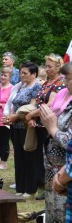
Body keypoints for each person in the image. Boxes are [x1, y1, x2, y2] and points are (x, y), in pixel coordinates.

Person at [25, 54, 66, 200]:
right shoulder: (46, 83)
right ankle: (43, 183)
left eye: (49, 66)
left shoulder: (60, 83)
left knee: (52, 157)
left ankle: (53, 184)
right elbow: (37, 101)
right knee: (40, 156)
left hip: (49, 124)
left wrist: (31, 115)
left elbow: (51, 105)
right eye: (46, 65)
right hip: (38, 122)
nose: (46, 69)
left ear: (58, 67)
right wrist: (32, 118)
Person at [39, 62, 72, 222]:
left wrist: (52, 128)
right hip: (53, 166)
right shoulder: (65, 96)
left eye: (69, 79)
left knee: (62, 214)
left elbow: (68, 142)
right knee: (51, 211)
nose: (65, 82)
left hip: (66, 172)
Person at [5, 61, 42, 198]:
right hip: (16, 126)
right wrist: (10, 117)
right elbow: (14, 103)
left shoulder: (37, 86)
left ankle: (30, 188)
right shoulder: (21, 86)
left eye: (25, 73)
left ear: (34, 74)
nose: (22, 75)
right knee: (18, 156)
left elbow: (31, 107)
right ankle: (20, 186)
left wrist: (15, 117)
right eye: (21, 73)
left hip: (27, 126)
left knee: (29, 157)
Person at [0, 67, 14, 170]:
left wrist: (0, 105)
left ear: (10, 77)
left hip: (4, 118)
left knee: (4, 140)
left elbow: (11, 103)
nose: (3, 77)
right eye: (2, 75)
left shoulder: (12, 88)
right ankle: (0, 158)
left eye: (5, 75)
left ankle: (4, 162)